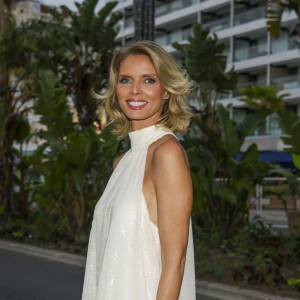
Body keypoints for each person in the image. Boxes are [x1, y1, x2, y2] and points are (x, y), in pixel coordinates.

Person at [81, 41, 196, 300]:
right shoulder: (122, 162)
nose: (135, 91)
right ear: (116, 88)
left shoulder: (166, 153)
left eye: (148, 81)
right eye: (125, 80)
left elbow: (175, 261)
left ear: (166, 90)